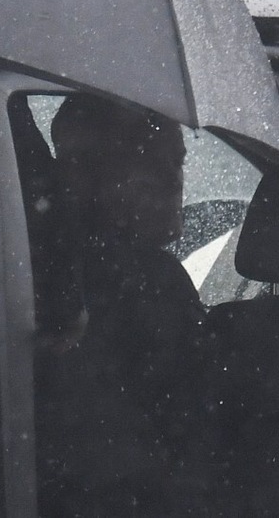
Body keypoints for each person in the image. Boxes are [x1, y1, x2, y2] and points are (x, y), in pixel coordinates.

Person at [33, 95, 214, 516]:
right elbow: (192, 424)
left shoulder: (33, 252)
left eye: (178, 160)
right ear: (88, 172)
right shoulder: (139, 281)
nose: (173, 179)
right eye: (149, 160)